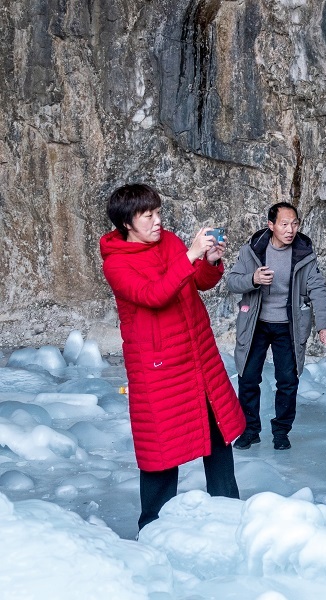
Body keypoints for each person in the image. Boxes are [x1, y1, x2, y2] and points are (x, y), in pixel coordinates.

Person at [99, 183, 245, 532]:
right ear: (127, 224)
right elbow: (154, 295)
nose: (157, 221)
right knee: (161, 449)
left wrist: (209, 261)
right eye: (147, 216)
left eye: (158, 212)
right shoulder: (116, 265)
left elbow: (197, 282)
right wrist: (191, 255)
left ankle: (229, 515)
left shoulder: (171, 243)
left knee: (218, 434)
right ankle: (153, 527)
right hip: (158, 365)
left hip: (198, 355)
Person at [227, 202, 326, 450]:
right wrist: (253, 279)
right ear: (271, 225)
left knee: (287, 381)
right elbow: (232, 282)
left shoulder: (304, 254)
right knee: (248, 377)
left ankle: (281, 432)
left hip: (288, 325)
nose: (290, 229)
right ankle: (250, 430)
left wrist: (323, 325)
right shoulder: (252, 250)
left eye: (294, 223)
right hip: (255, 323)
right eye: (284, 224)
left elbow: (318, 290)